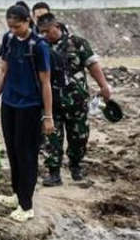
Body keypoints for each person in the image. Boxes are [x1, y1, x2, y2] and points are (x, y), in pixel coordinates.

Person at [0, 3, 53, 223]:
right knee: (13, 151)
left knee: (27, 154)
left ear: (27, 22)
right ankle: (17, 194)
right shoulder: (8, 39)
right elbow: (4, 70)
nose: (13, 30)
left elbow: (46, 83)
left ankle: (27, 205)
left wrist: (48, 116)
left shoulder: (38, 45)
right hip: (10, 104)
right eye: (10, 26)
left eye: (17, 26)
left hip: (30, 107)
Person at [36, 13, 113, 186]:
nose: (44, 35)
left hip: (76, 100)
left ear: (56, 26)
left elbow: (93, 66)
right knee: (52, 138)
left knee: (79, 137)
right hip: (52, 102)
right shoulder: (41, 46)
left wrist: (104, 86)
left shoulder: (77, 43)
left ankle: (76, 167)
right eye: (41, 32)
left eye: (47, 31)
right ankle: (54, 173)